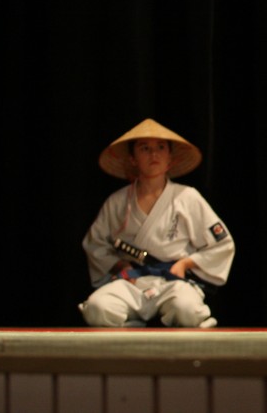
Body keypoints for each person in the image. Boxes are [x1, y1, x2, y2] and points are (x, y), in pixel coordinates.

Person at [79, 118, 235, 328]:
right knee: (97, 308)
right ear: (133, 159)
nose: (154, 154)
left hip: (172, 282)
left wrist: (185, 264)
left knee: (187, 309)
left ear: (170, 158)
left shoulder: (187, 197)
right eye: (145, 148)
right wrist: (120, 265)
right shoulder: (118, 201)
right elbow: (95, 244)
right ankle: (133, 329)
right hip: (131, 282)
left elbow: (222, 244)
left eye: (160, 148)